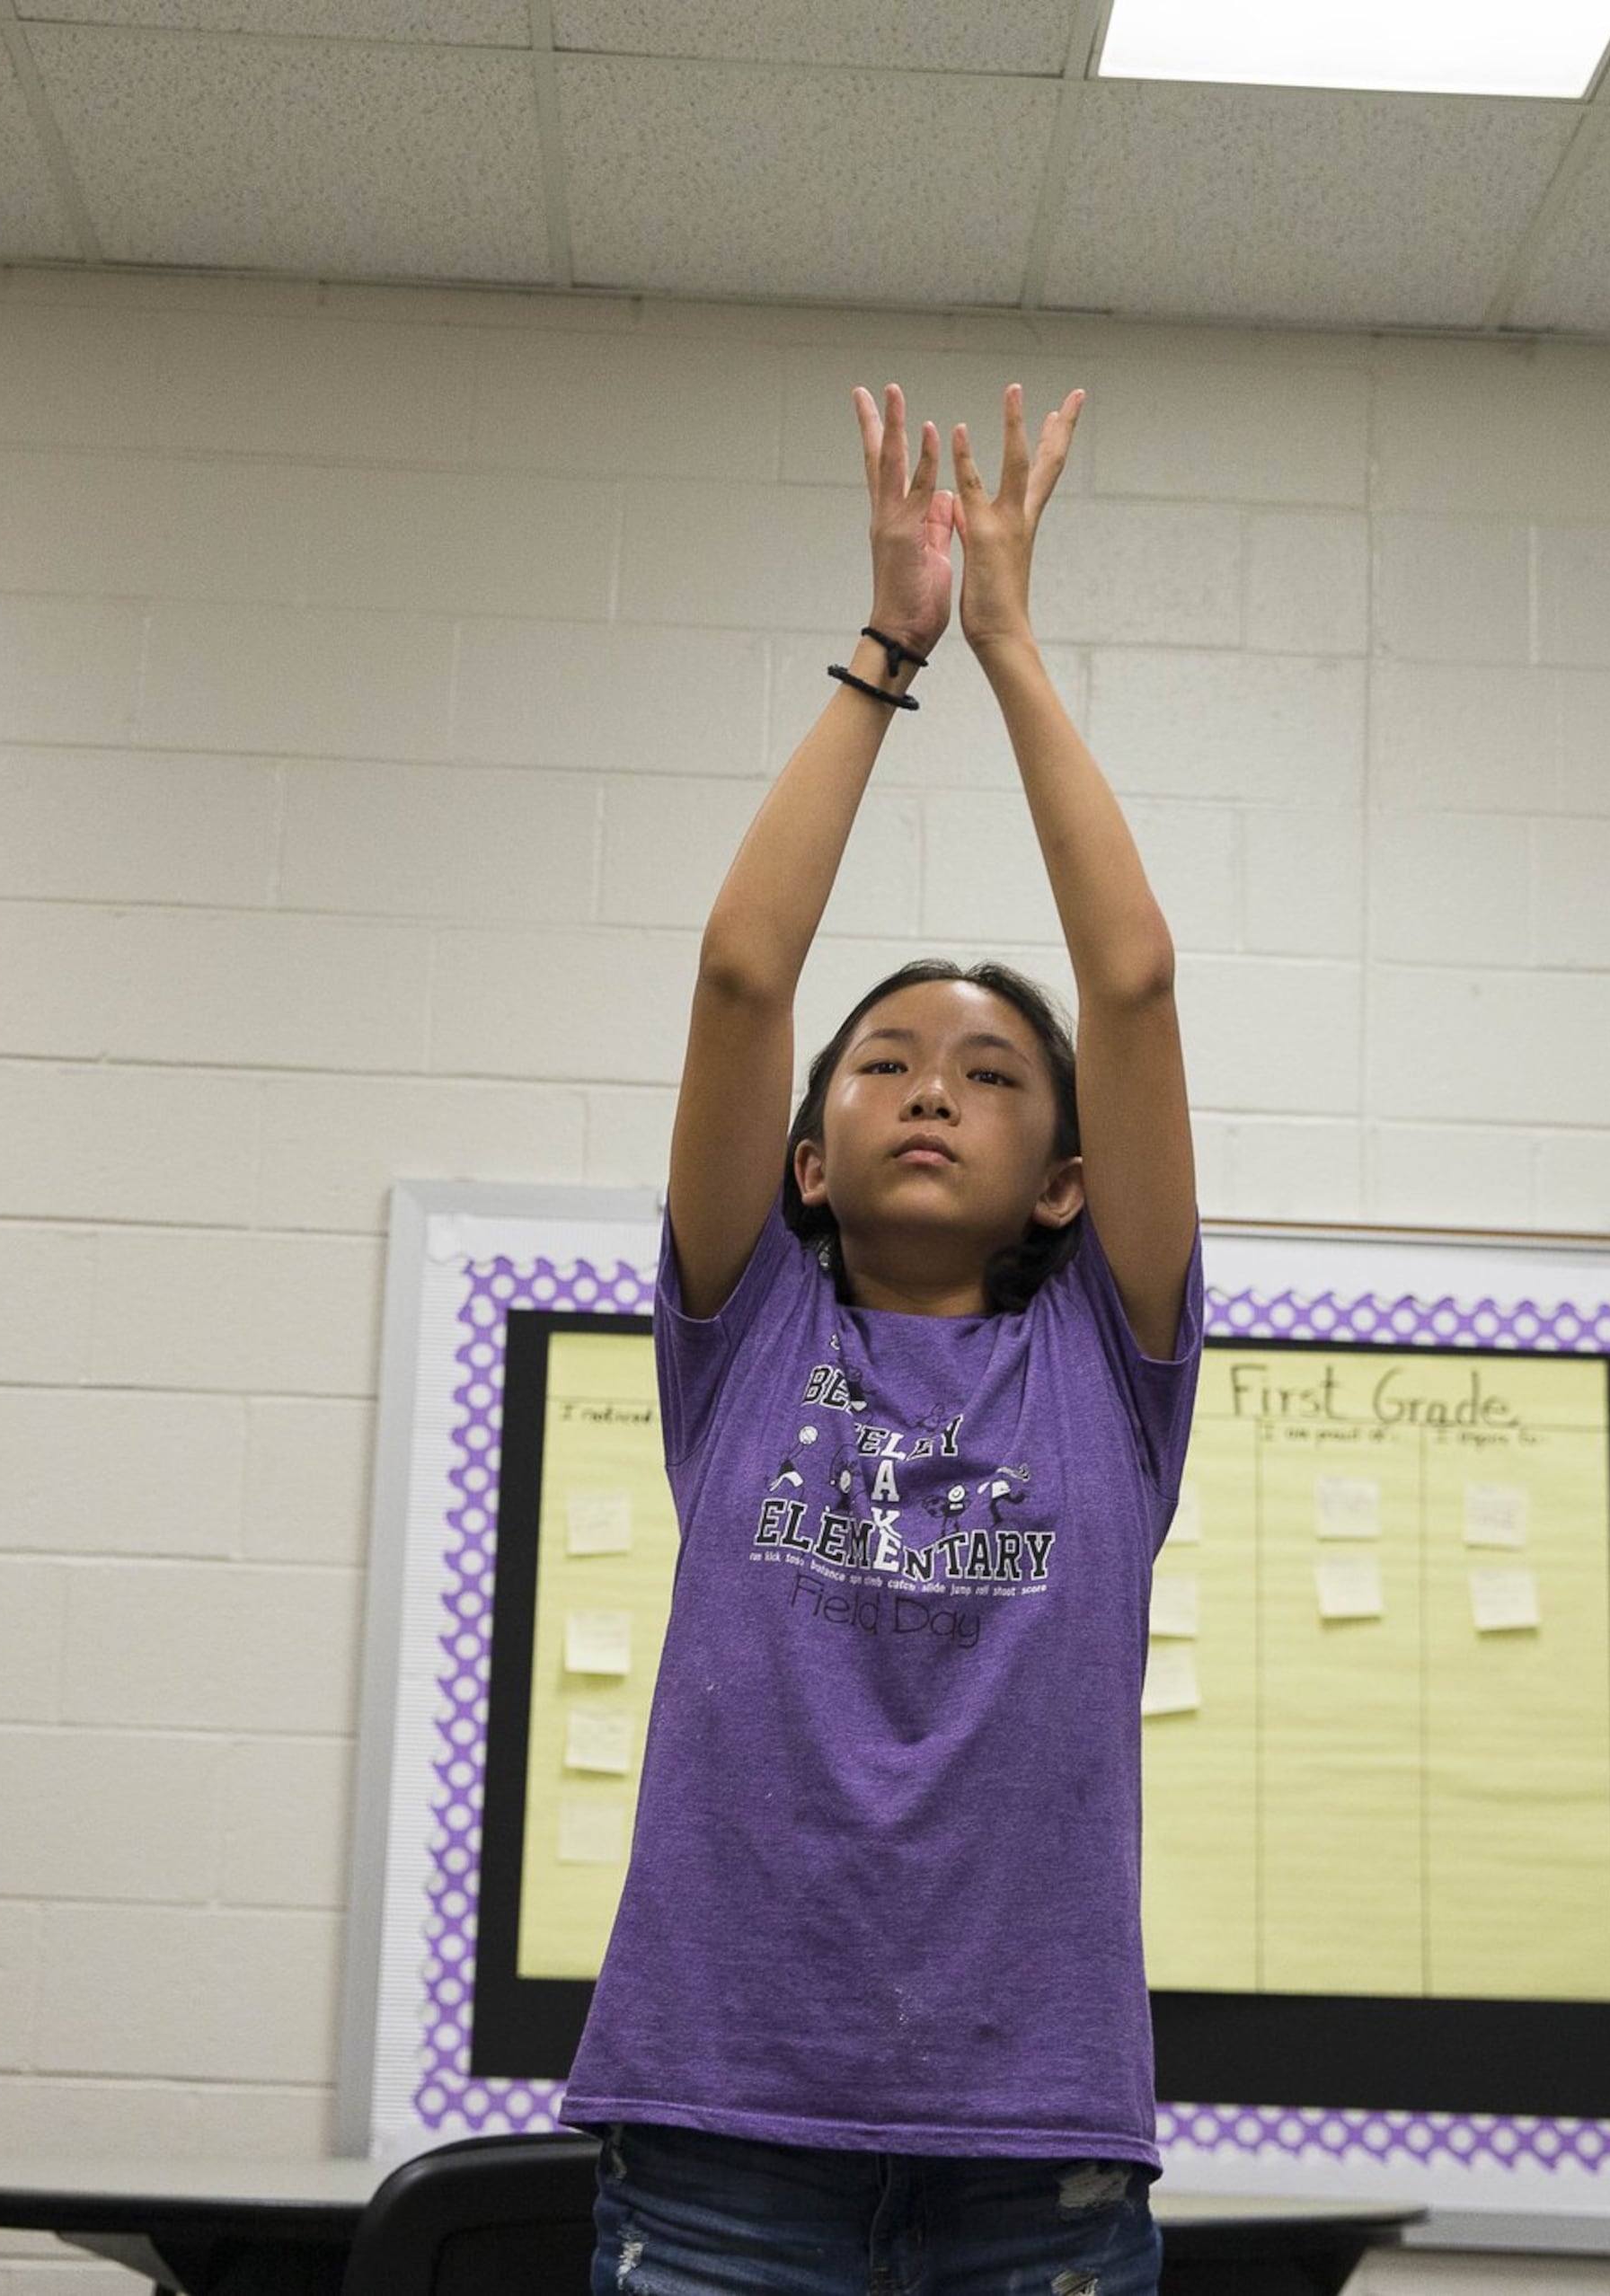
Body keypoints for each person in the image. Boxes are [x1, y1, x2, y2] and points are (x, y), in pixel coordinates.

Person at [557, 383, 1199, 2296]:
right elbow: (744, 968)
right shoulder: (746, 1333)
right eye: (887, 1065)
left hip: (1038, 2167)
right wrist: (887, 649)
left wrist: (1009, 645)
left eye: (992, 1075)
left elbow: (1139, 980)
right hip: (725, 2138)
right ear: (810, 1156)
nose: (931, 1089)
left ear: (1068, 1181)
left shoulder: (1112, 1368)